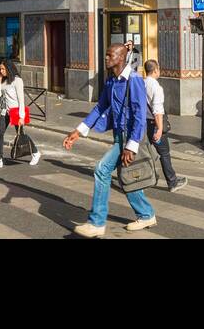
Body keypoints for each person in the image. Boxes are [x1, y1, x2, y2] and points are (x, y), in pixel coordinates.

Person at [63, 43, 155, 237]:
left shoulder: (134, 80)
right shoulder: (111, 81)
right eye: (106, 55)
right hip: (118, 135)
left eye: (110, 55)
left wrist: (131, 146)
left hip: (129, 137)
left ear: (121, 58)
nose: (106, 58)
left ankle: (96, 222)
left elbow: (140, 115)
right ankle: (146, 214)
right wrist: (79, 131)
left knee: (102, 170)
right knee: (126, 176)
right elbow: (100, 107)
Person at [142, 59, 188, 192]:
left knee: (145, 152)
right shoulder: (156, 87)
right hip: (154, 124)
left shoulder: (142, 83)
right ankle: (172, 182)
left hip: (144, 123)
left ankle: (144, 177)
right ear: (155, 70)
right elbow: (157, 111)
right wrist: (160, 129)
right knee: (164, 153)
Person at [0, 59, 40, 169]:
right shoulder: (4, 80)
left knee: (21, 134)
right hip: (5, 111)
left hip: (15, 112)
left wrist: (21, 116)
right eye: (0, 69)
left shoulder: (17, 80)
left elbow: (21, 100)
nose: (1, 71)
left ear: (9, 69)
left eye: (3, 69)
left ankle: (35, 152)